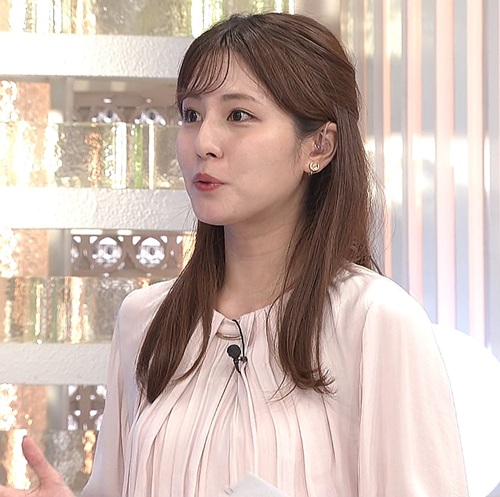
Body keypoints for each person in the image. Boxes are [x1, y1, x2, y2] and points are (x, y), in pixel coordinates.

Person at [0, 12, 469, 497]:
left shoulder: (375, 321)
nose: (203, 143)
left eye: (238, 116)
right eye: (191, 115)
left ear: (319, 145)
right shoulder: (144, 319)